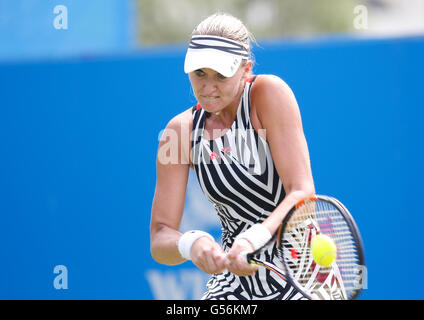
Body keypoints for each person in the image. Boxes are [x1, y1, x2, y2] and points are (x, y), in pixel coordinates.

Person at [150, 12, 315, 300]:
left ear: (245, 69)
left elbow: (302, 194)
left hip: (300, 268)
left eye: (221, 75)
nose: (208, 87)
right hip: (235, 281)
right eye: (199, 73)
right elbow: (160, 238)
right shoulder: (178, 132)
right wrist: (193, 243)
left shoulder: (269, 94)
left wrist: (254, 239)